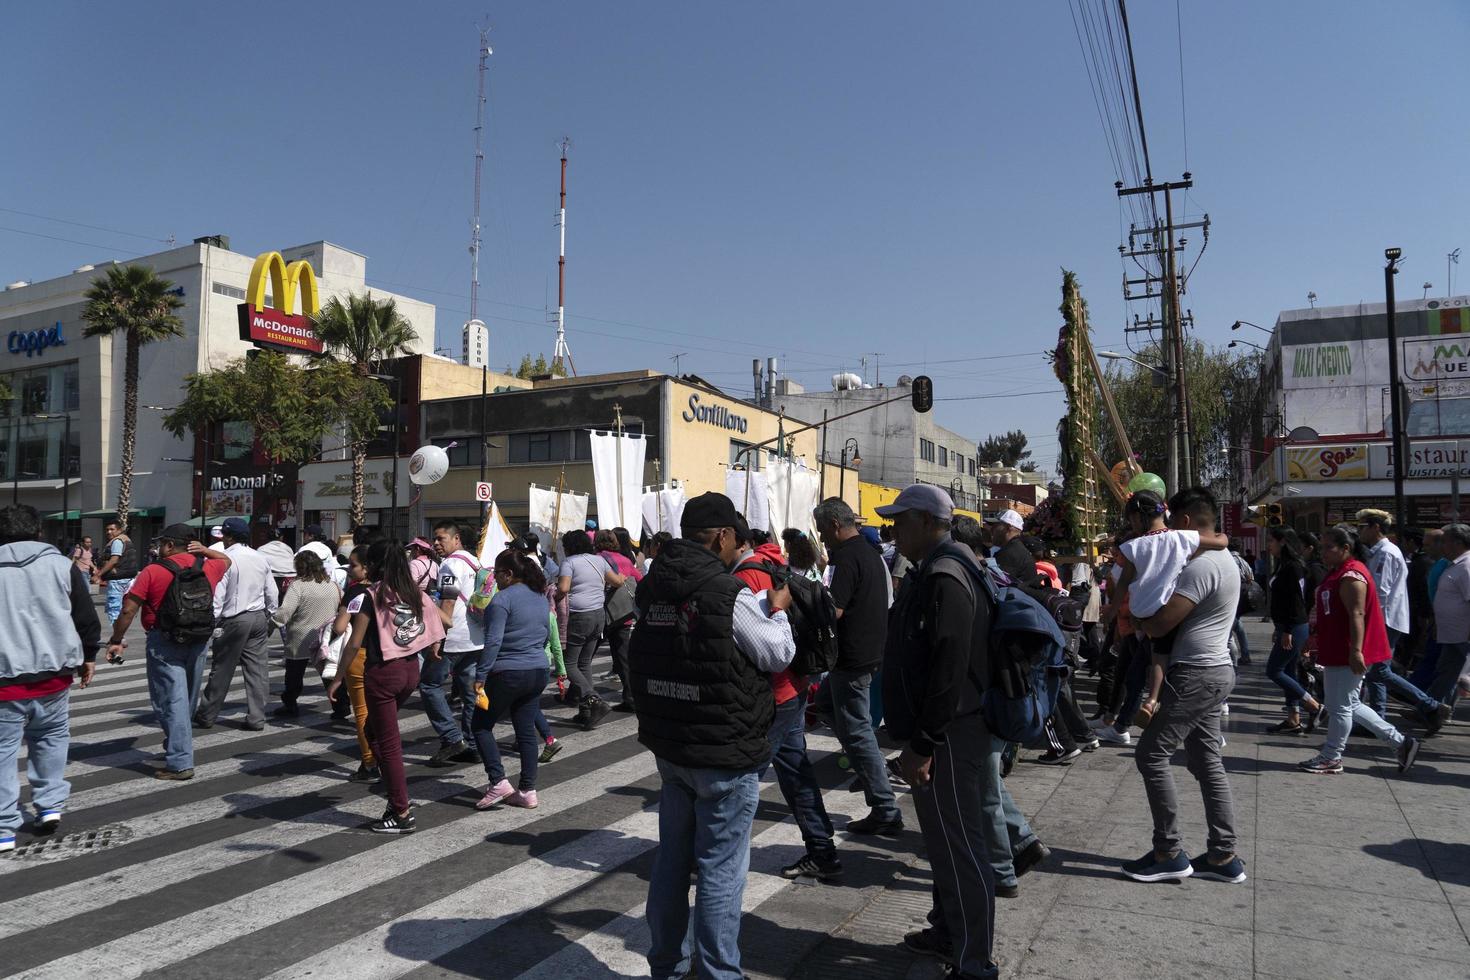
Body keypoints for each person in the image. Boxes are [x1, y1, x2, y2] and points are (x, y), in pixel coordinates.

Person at [628, 492, 794, 980]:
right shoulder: (729, 593)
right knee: (721, 871)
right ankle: (720, 974)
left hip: (672, 745)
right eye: (733, 537)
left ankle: (666, 966)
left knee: (671, 863)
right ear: (722, 536)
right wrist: (778, 610)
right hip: (724, 748)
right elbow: (776, 653)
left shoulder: (651, 588)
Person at [879, 485, 999, 979]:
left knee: (963, 848)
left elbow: (949, 668)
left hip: (949, 735)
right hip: (937, 734)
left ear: (930, 522)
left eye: (901, 521)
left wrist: (925, 742)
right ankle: (950, 932)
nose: (894, 530)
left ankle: (974, 962)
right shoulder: (932, 570)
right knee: (946, 845)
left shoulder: (947, 575)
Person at [1124, 487, 1245, 885]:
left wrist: (1136, 619)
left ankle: (1168, 852)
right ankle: (1223, 855)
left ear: (1187, 523)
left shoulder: (1201, 568)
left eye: (1173, 522)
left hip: (1195, 673)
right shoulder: (1223, 558)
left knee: (1151, 756)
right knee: (1205, 761)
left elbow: (1160, 624)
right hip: (1214, 670)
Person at [946, 511, 1056, 897]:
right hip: (1004, 692)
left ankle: (1001, 873)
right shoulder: (995, 572)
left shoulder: (972, 578)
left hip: (983, 697)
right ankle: (1023, 842)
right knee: (986, 780)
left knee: (985, 789)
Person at [732, 517, 840, 882]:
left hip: (774, 692)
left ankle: (721, 859)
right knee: (795, 773)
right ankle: (822, 850)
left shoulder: (747, 576)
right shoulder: (774, 563)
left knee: (742, 779)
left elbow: (761, 644)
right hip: (793, 685)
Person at [0, 505, 102, 853]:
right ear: (39, 533)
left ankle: (3, 827)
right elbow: (86, 617)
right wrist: (89, 656)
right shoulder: (62, 565)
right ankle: (49, 806)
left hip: (4, 680)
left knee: (1, 753)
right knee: (51, 741)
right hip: (54, 677)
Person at [329, 540, 445, 834]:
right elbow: (443, 619)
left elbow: (354, 641)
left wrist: (338, 677)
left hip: (382, 673)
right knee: (373, 734)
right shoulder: (412, 591)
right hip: (410, 671)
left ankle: (401, 811)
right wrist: (433, 644)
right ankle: (397, 795)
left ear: (375, 565)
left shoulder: (372, 595)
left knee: (388, 745)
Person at [106, 524, 230, 779]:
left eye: (161, 543)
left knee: (169, 702)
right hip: (197, 640)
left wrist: (116, 638)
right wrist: (205, 550)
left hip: (165, 641)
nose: (158, 548)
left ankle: (180, 762)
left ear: (170, 545)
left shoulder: (153, 571)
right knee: (186, 700)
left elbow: (128, 610)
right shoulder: (207, 567)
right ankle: (177, 743)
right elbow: (226, 560)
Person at [812, 497, 904, 837]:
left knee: (859, 732)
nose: (822, 538)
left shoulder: (849, 557)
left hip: (852, 657)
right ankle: (866, 760)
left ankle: (884, 806)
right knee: (826, 706)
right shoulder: (869, 553)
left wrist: (807, 598)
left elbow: (834, 608)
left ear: (836, 525)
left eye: (822, 531)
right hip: (864, 653)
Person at [1298, 525, 1421, 776]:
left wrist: (1356, 652)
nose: (1323, 552)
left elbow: (1357, 614)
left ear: (1346, 548)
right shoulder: (1339, 572)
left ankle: (1332, 756)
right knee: (1349, 704)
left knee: (1340, 706)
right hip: (1337, 647)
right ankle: (1400, 742)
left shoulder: (1353, 575)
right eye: (1322, 547)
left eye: (1328, 547)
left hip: (1348, 650)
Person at [1114, 490, 1228, 728]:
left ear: (1138, 518)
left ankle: (1136, 708)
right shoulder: (1181, 537)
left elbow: (1124, 582)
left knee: (1146, 657)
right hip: (1165, 610)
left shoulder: (1133, 546)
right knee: (1160, 658)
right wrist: (1223, 536)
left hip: (1139, 610)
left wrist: (1112, 609)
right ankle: (1153, 700)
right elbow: (1219, 543)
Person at [471, 550, 553, 810]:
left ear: (508, 574)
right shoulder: (540, 597)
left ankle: (498, 782)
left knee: (481, 725)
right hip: (538, 669)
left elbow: (493, 641)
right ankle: (528, 790)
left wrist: (480, 675)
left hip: (509, 671)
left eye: (496, 573)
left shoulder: (501, 600)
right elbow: (545, 633)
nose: (494, 578)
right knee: (526, 730)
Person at [194, 517, 278, 732]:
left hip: (234, 619)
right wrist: (270, 614)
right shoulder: (260, 557)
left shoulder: (224, 558)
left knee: (222, 668)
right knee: (258, 670)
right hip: (258, 616)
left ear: (228, 537)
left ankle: (206, 715)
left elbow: (218, 595)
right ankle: (257, 717)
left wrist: (211, 623)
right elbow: (272, 592)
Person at [420, 520, 483, 768]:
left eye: (441, 538)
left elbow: (447, 603)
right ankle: (472, 743)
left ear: (456, 539)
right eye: (434, 539)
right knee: (470, 695)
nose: (436, 543)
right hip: (475, 638)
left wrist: (438, 638)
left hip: (453, 638)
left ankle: (452, 738)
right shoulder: (475, 562)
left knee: (429, 685)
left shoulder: (449, 565)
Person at [555, 529, 626, 730]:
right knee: (584, 663)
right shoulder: (599, 560)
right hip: (598, 615)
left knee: (569, 664)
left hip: (579, 616)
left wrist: (553, 597)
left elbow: (564, 588)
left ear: (569, 547)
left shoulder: (569, 563)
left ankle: (594, 699)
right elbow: (617, 582)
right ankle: (586, 711)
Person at [1262, 527, 1325, 734]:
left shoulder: (1294, 567)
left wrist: (1287, 629)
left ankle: (1314, 706)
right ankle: (1293, 718)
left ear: (1282, 542)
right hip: (1285, 626)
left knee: (1274, 670)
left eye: (1271, 541)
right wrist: (1278, 627)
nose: (1268, 545)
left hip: (1295, 626)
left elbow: (1297, 602)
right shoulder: (1283, 565)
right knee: (1289, 671)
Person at [270, 549, 342, 718]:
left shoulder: (298, 585)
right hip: (324, 636)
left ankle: (290, 704)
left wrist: (270, 625)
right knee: (328, 673)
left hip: (300, 637)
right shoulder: (332, 584)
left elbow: (285, 611)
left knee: (294, 674)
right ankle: (340, 705)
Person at [331, 546, 378, 782]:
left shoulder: (356, 592)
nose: (350, 570)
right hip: (386, 657)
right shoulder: (388, 588)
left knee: (362, 712)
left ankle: (369, 762)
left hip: (359, 656)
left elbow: (340, 627)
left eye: (353, 565)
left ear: (367, 567)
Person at [1356, 509, 1409, 717]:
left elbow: (1380, 592)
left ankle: (1428, 704)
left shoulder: (1386, 553)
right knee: (1376, 673)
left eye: (1362, 527)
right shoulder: (1376, 552)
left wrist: (1366, 621)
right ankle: (1378, 715)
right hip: (1383, 618)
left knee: (1379, 672)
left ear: (1375, 527)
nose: (1359, 531)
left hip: (1385, 619)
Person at [596, 528, 642, 713]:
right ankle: (631, 696)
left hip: (602, 612)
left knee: (583, 655)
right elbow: (640, 579)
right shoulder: (625, 559)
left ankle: (579, 693)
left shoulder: (597, 559)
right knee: (622, 656)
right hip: (623, 613)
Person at [93, 519, 138, 632]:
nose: (109, 532)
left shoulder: (117, 541)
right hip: (127, 578)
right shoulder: (126, 540)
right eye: (107, 529)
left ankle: (118, 637)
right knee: (122, 609)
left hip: (117, 579)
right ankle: (119, 635)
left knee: (114, 609)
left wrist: (99, 575)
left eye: (112, 529)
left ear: (119, 530)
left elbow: (114, 560)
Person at [985, 509, 1033, 583]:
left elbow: (998, 587)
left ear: (1008, 527)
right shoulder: (1016, 547)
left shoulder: (1009, 554)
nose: (991, 530)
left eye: (995, 526)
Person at [1227, 540, 1254, 666]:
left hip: (1231, 596)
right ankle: (1245, 654)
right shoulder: (1243, 561)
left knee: (1232, 629)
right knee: (1238, 626)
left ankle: (1237, 658)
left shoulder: (1227, 559)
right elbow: (1251, 578)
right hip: (1242, 597)